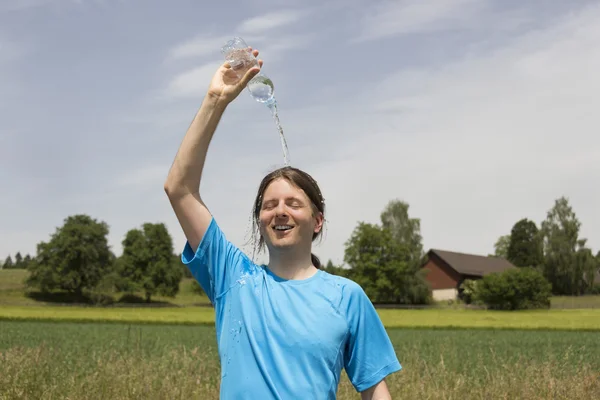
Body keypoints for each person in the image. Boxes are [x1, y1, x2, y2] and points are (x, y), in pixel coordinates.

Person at [164, 47, 401, 399]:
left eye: (293, 203)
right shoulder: (233, 278)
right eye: (269, 205)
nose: (279, 211)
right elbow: (179, 189)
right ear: (259, 220)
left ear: (317, 221)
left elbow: (374, 390)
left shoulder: (346, 297)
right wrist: (216, 99)